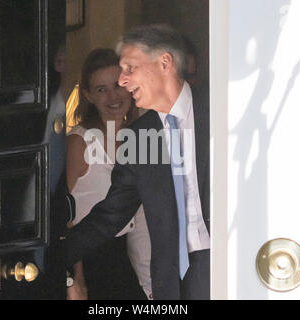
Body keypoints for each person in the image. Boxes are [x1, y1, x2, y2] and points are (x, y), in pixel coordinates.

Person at [65, 24, 210, 300]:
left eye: (130, 68)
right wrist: (54, 255)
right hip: (171, 284)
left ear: (164, 63)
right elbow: (110, 215)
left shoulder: (220, 107)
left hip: (229, 262)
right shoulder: (139, 135)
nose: (122, 81)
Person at [66, 48, 152, 300]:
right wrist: (74, 277)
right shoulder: (79, 143)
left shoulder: (138, 137)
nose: (113, 96)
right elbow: (62, 214)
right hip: (92, 261)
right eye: (101, 89)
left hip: (129, 262)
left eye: (118, 85)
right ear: (88, 95)